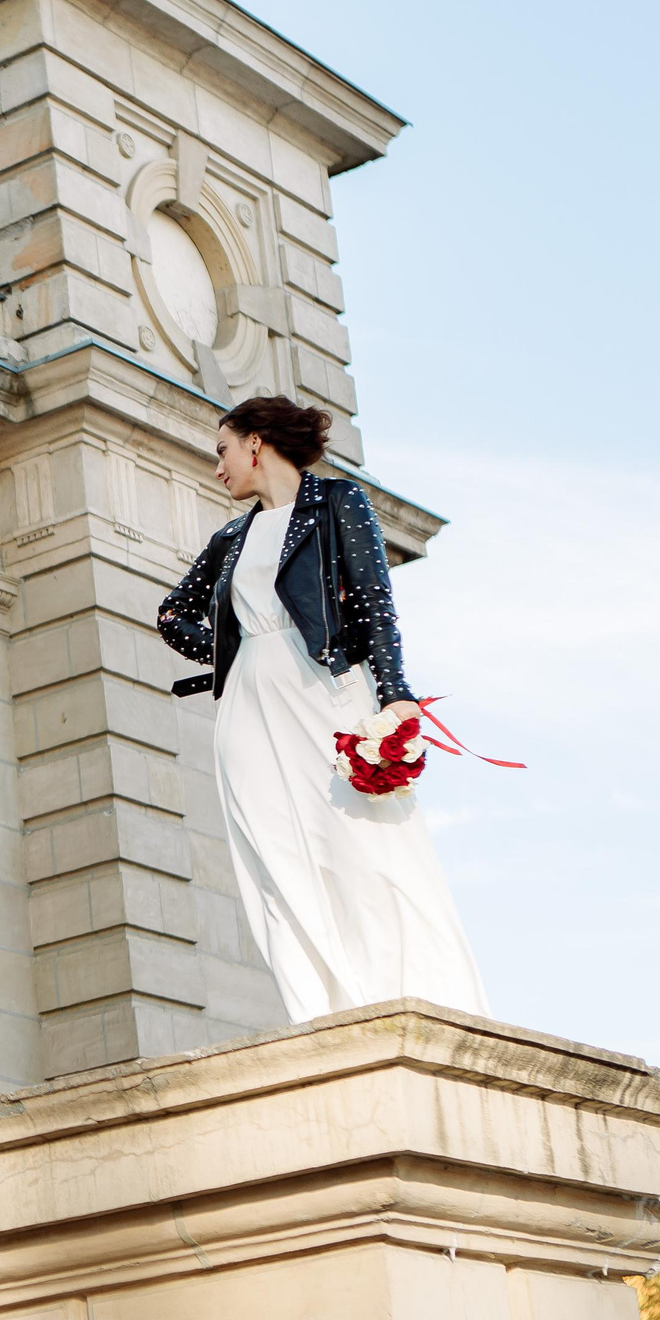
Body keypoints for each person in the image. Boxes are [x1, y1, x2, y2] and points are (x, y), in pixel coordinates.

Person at [156, 396, 488, 1025]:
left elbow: (374, 604)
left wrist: (395, 700)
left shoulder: (339, 503)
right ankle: (317, 1012)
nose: (218, 467)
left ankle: (411, 1000)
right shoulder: (231, 537)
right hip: (249, 701)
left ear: (256, 443)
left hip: (330, 690)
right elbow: (173, 615)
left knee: (359, 844)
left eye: (222, 450)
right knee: (274, 853)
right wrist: (238, 652)